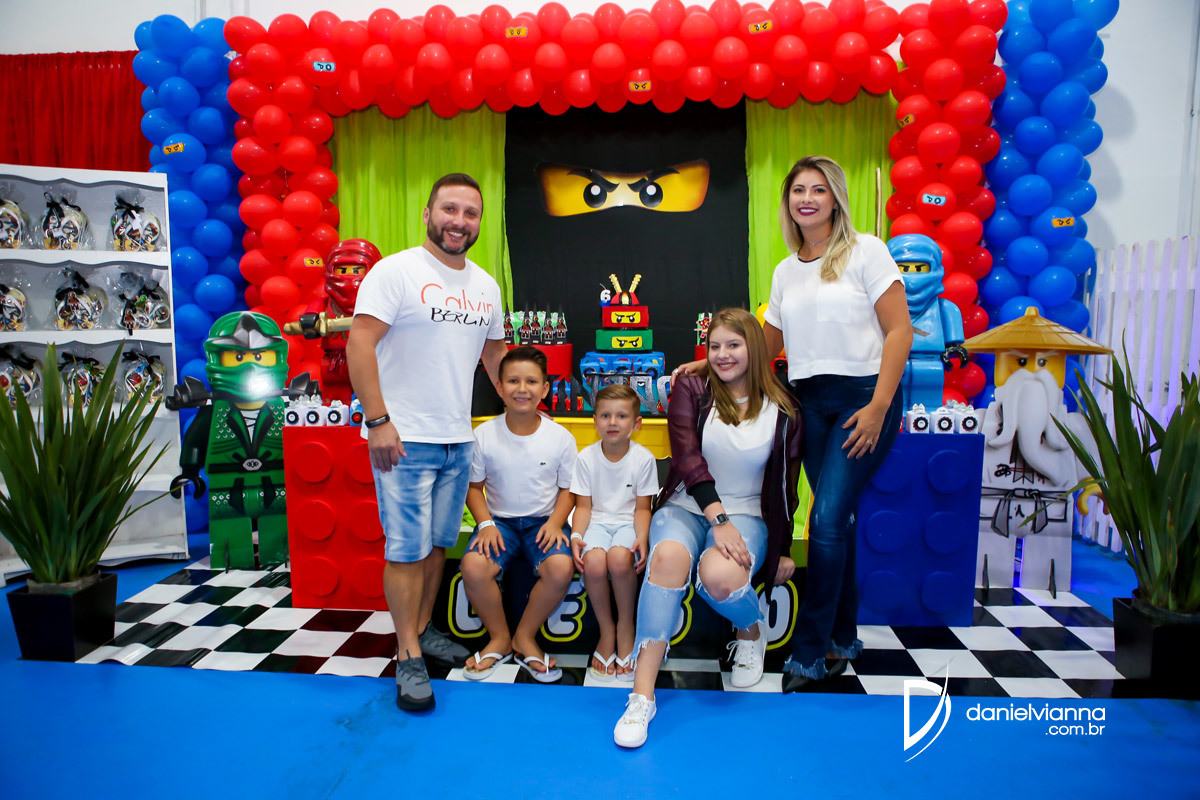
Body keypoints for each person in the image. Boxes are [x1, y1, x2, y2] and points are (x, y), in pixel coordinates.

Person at [347, 173, 509, 712]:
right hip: (403, 438)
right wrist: (378, 421)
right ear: (428, 214)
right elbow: (359, 344)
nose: (459, 222)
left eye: (470, 213)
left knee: (438, 545)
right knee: (405, 549)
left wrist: (524, 400)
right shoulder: (395, 272)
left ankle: (421, 628)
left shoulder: (486, 286)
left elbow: (495, 356)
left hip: (456, 439)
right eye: (450, 209)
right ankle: (408, 655)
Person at [613, 308, 803, 748]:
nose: (722, 355)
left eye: (733, 345)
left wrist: (782, 549)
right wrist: (717, 519)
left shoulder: (785, 406)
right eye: (714, 346)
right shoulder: (692, 387)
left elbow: (786, 484)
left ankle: (751, 630)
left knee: (718, 577)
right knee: (666, 559)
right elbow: (686, 458)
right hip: (688, 505)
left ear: (754, 348)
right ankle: (641, 697)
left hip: (747, 514)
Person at [762, 156, 912, 692]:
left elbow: (900, 332)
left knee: (824, 521)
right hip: (810, 401)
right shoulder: (786, 270)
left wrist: (878, 407)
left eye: (818, 189)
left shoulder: (867, 250)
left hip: (864, 397)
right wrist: (708, 362)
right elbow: (766, 343)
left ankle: (808, 651)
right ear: (788, 202)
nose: (807, 198)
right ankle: (843, 636)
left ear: (835, 199)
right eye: (798, 190)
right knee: (839, 521)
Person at [459, 346, 578, 683]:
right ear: (499, 387)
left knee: (560, 567)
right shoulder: (483, 435)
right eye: (513, 381)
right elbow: (473, 487)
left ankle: (524, 636)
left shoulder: (560, 437)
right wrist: (485, 524)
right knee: (473, 566)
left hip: (544, 522)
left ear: (545, 389)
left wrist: (556, 523)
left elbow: (569, 490)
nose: (521, 389)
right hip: (500, 523)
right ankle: (499, 637)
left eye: (531, 381)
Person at [569, 384, 659, 681]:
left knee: (620, 560)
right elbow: (583, 506)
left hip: (627, 523)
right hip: (596, 522)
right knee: (594, 562)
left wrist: (642, 537)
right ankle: (606, 629)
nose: (612, 422)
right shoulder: (586, 458)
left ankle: (625, 626)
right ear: (595, 421)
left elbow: (642, 509)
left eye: (621, 416)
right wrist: (576, 536)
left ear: (636, 423)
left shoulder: (643, 458)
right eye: (605, 415)